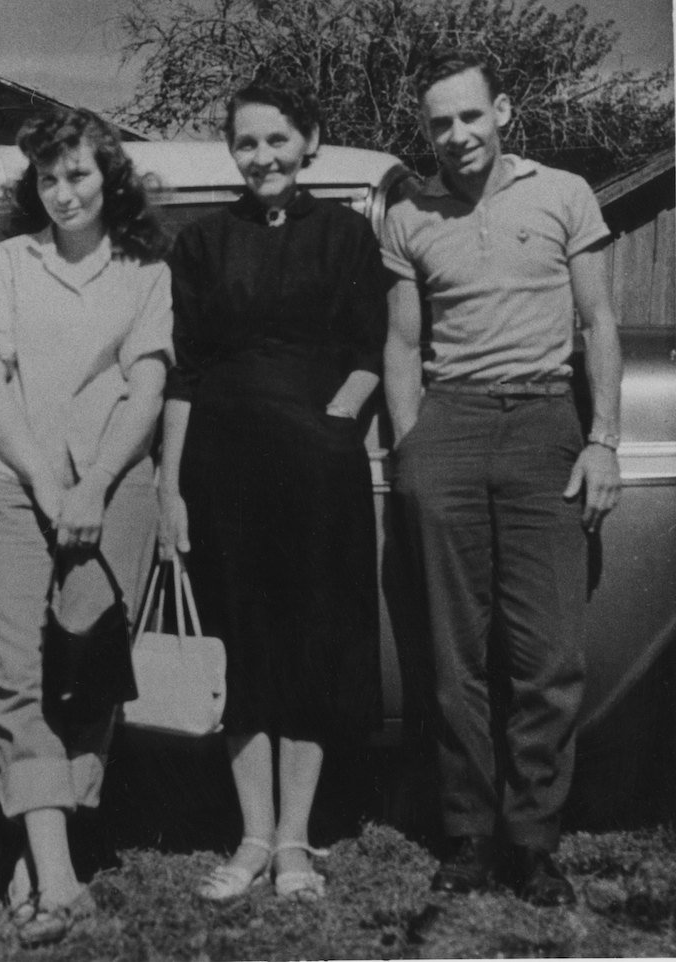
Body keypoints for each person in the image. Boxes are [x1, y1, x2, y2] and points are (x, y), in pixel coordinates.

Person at [382, 50, 622, 907]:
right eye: (439, 124)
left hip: (545, 423)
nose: (456, 137)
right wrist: (412, 448)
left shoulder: (563, 194)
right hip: (452, 421)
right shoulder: (408, 210)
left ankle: (533, 840)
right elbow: (404, 343)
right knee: (454, 656)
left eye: (469, 117)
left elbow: (598, 322)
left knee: (547, 653)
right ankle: (471, 834)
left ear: (503, 111)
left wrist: (603, 439)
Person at [159, 79, 386, 902]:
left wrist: (333, 423)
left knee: (308, 651)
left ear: (310, 140)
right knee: (242, 653)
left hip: (318, 473)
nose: (263, 157)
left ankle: (295, 841)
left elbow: (369, 352)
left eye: (278, 140)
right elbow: (183, 373)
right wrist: (170, 488)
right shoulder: (202, 243)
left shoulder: (348, 235)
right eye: (248, 143)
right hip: (223, 472)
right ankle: (252, 836)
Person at [0, 107, 172, 947]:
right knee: (16, 672)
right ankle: (56, 872)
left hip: (116, 487)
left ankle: (32, 859)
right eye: (48, 179)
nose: (64, 192)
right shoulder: (8, 263)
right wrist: (51, 488)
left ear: (110, 176)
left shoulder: (144, 270)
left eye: (79, 174)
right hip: (16, 489)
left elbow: (148, 385)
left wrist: (91, 486)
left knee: (92, 671)